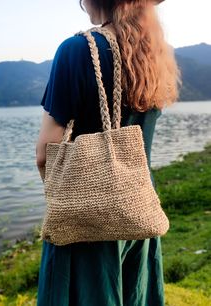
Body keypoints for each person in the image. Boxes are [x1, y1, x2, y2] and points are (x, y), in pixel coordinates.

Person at [35, 0, 180, 305]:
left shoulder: (77, 50)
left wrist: (61, 195)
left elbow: (45, 153)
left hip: (86, 220)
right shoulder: (154, 54)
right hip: (139, 209)